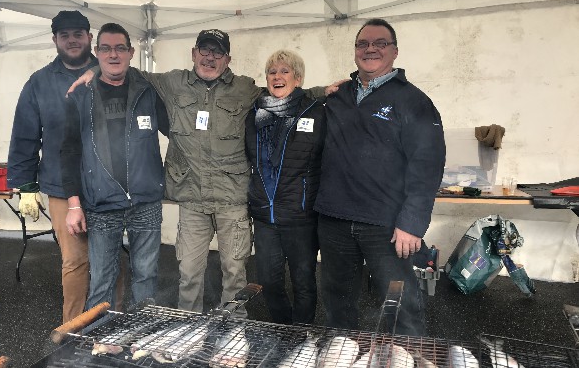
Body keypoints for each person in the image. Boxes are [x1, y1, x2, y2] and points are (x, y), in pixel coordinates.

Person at [67, 29, 331, 316]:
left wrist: (323, 92)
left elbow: (284, 94)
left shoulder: (245, 89)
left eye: (217, 52)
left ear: (227, 59)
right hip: (191, 197)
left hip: (232, 198)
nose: (209, 58)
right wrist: (93, 69)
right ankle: (188, 327)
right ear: (193, 54)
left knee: (234, 272)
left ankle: (233, 331)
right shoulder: (171, 82)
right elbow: (125, 68)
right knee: (190, 272)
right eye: (204, 51)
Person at [315, 18, 446, 335]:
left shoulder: (414, 101)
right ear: (355, 51)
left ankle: (410, 354)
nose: (370, 49)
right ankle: (343, 352)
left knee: (400, 304)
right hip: (334, 217)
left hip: (386, 224)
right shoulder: (338, 96)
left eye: (380, 43)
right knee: (337, 302)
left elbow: (427, 164)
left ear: (395, 52)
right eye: (363, 44)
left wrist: (412, 223)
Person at [6, 10, 124, 322]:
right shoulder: (39, 83)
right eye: (64, 35)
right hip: (60, 185)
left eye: (78, 34)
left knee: (111, 257)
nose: (72, 40)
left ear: (89, 37)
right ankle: (73, 327)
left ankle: (115, 323)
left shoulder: (113, 72)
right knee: (75, 260)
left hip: (108, 184)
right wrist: (26, 185)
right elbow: (24, 135)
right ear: (55, 40)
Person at [60, 23, 169, 310]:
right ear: (96, 53)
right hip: (101, 201)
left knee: (146, 276)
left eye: (120, 48)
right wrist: (73, 204)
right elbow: (68, 151)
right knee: (102, 279)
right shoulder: (80, 95)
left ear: (131, 52)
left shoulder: (149, 91)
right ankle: (100, 339)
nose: (113, 54)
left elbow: (178, 132)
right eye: (106, 48)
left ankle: (141, 334)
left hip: (146, 200)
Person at [245, 50, 326, 325]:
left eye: (284, 71)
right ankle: (282, 330)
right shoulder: (255, 114)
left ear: (298, 78)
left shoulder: (315, 112)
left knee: (303, 282)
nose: (277, 76)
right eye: (272, 72)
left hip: (300, 216)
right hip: (265, 216)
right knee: (269, 281)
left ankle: (301, 335)